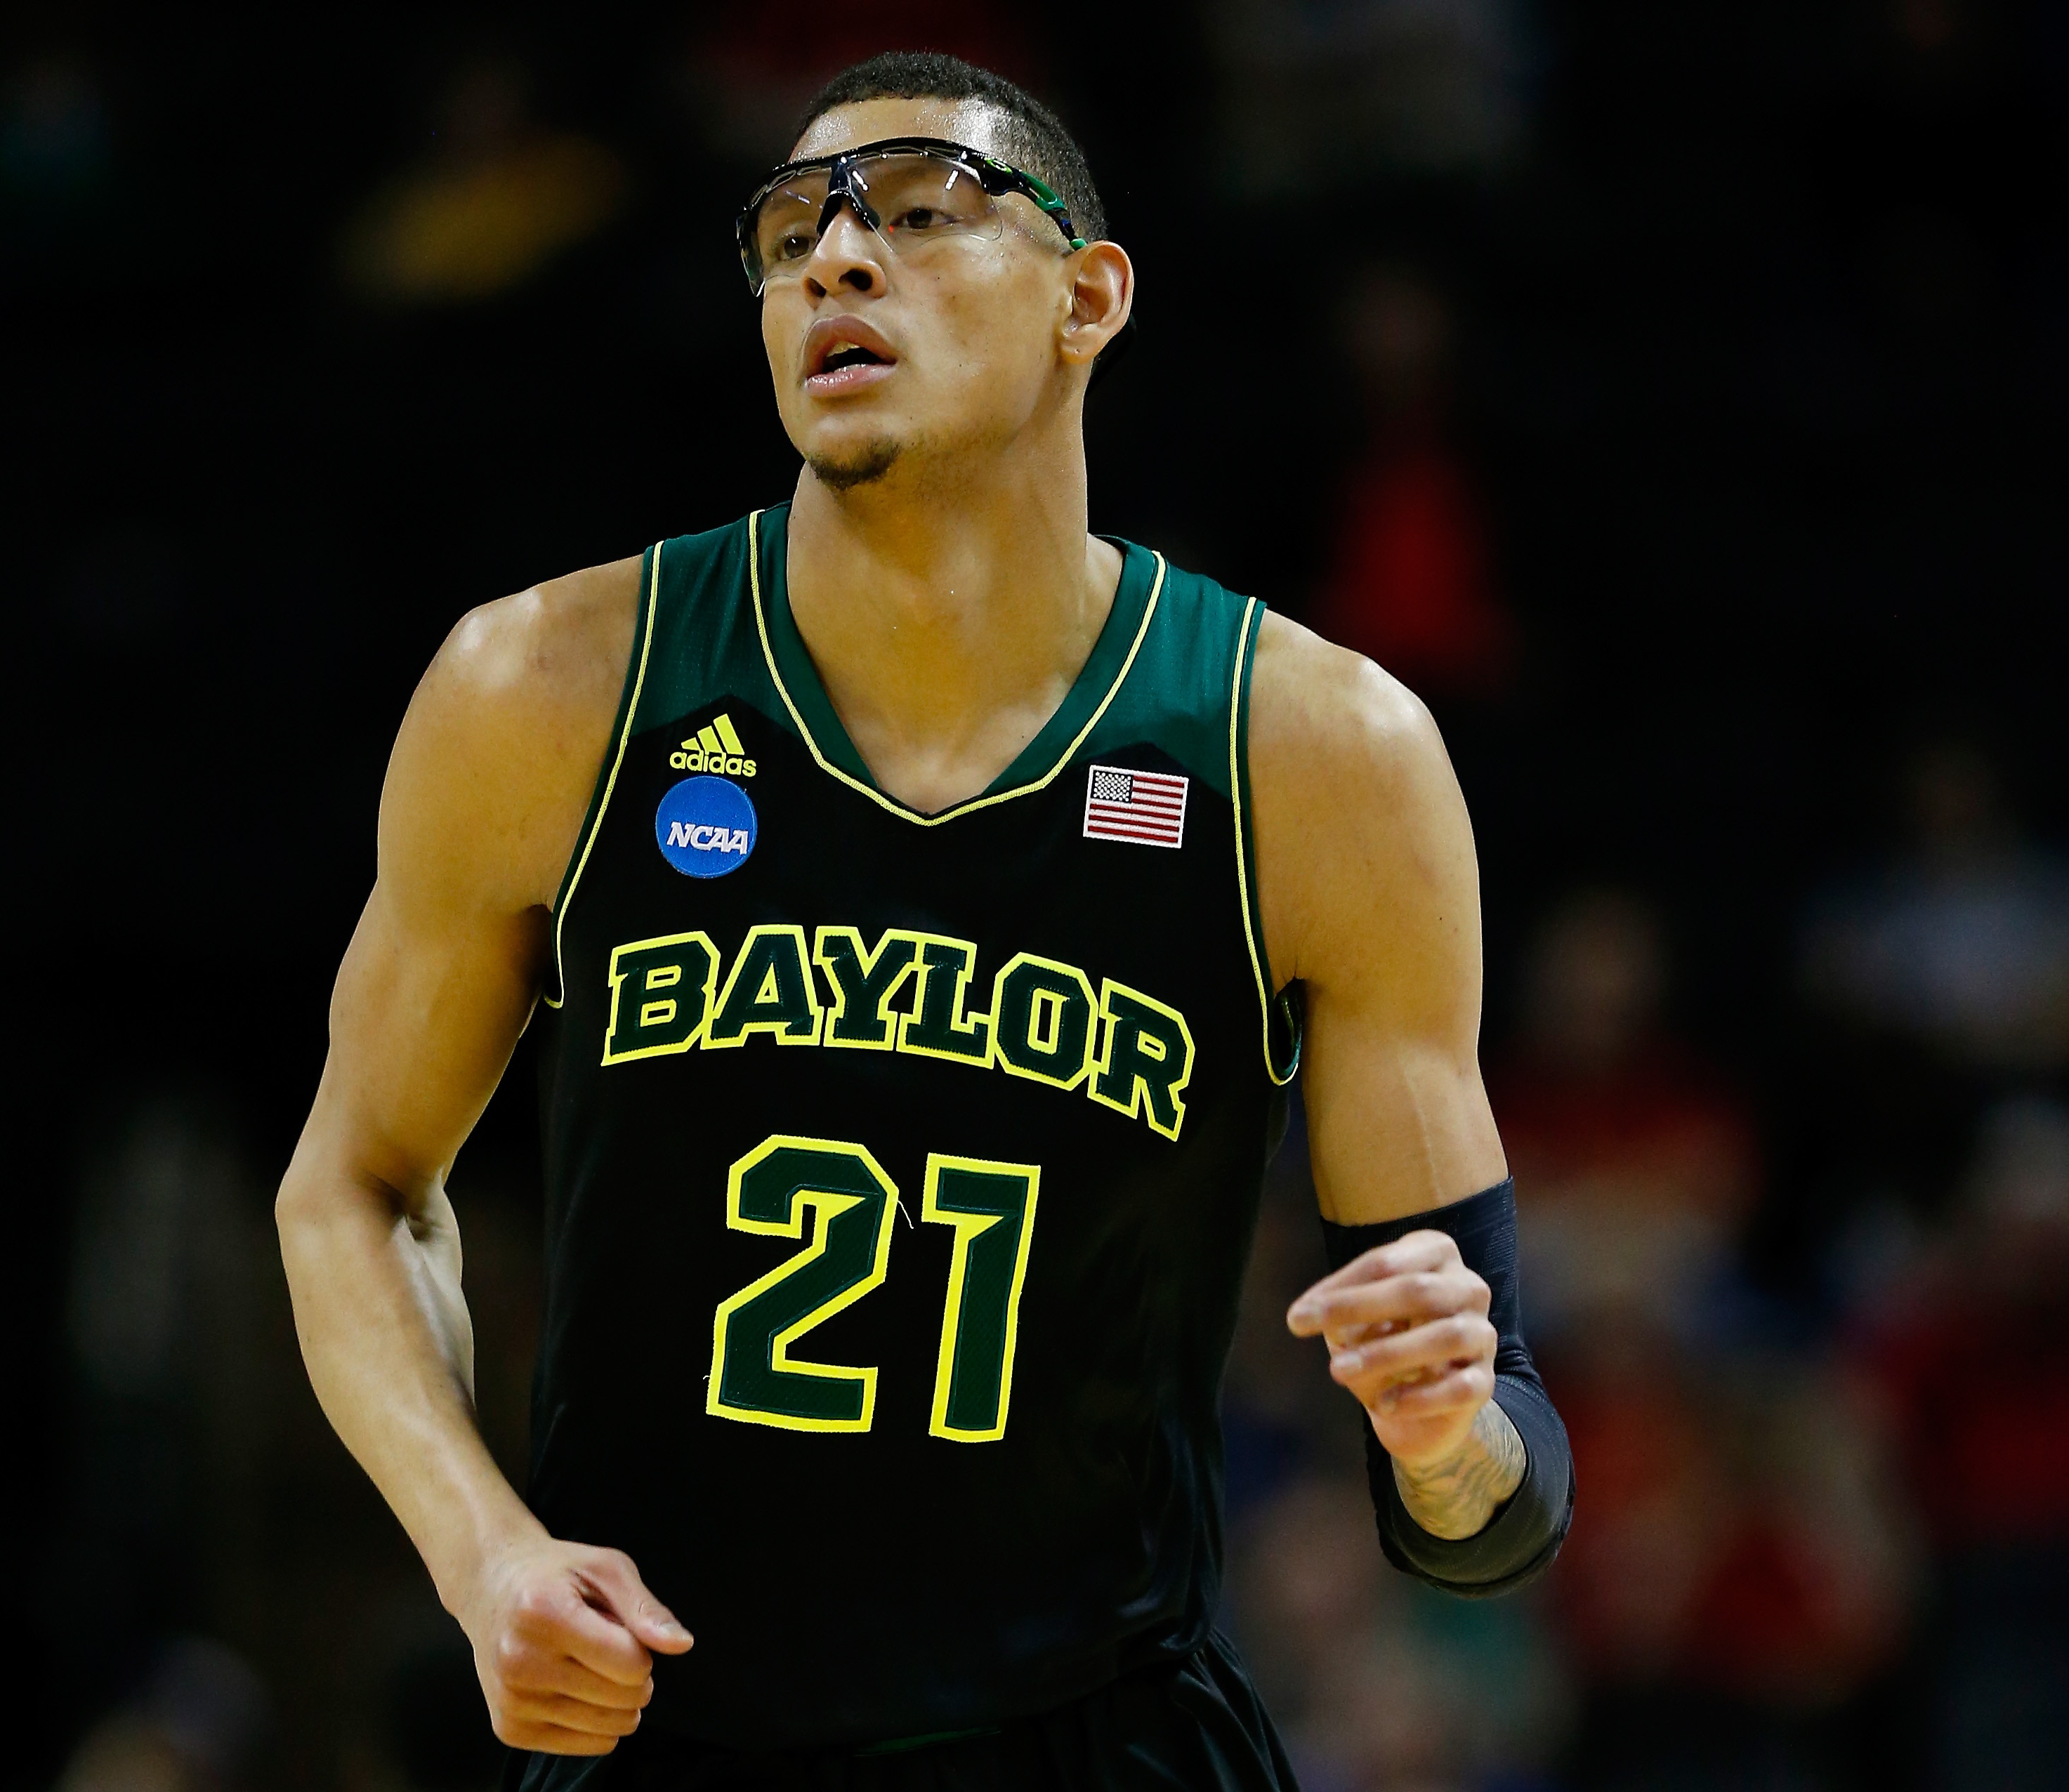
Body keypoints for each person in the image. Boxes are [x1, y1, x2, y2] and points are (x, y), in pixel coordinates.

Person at [275, 51, 1573, 1791]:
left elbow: (1498, 1494)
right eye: (788, 232)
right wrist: (481, 1549)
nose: (833, 260)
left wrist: (1440, 1441)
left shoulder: (1314, 755)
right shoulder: (545, 690)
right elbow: (351, 1190)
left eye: (916, 210)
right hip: (669, 1727)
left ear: (1087, 298)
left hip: (1098, 1736)